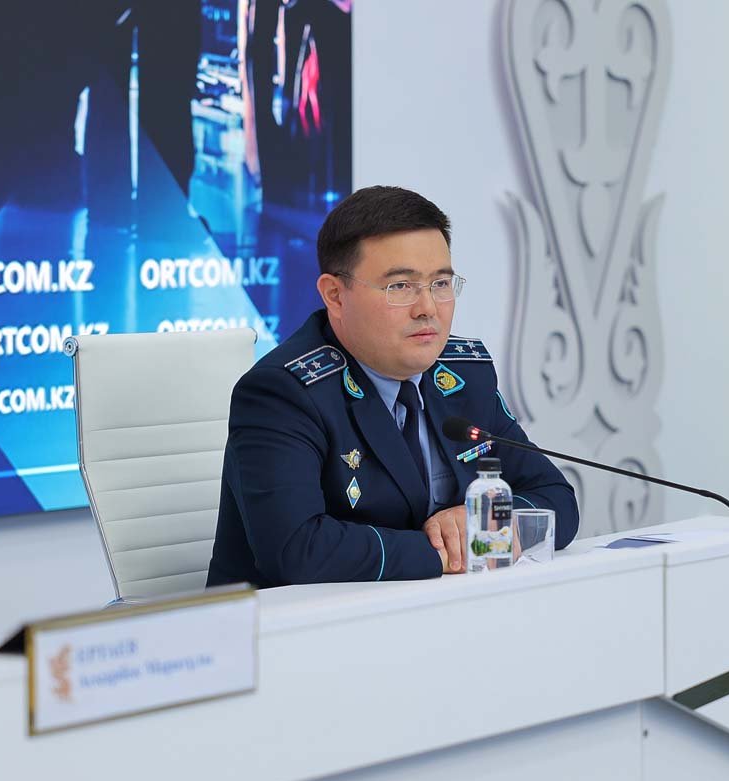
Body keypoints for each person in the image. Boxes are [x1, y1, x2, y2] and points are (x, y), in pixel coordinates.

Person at [207, 185, 579, 587]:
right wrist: (448, 548)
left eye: (441, 284)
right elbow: (298, 550)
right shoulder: (283, 392)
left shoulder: (464, 375)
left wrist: (483, 525)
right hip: (302, 622)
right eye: (400, 286)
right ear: (335, 295)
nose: (428, 308)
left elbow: (555, 498)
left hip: (439, 612)